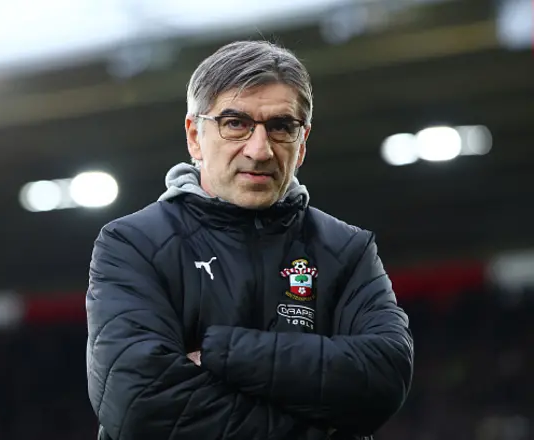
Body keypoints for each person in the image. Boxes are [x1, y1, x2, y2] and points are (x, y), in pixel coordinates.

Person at [85, 40, 413, 440]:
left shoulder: (347, 249)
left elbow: (384, 377)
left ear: (303, 142)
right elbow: (140, 403)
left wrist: (223, 352)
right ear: (194, 136)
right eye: (235, 123)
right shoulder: (132, 244)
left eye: (281, 127)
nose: (260, 151)